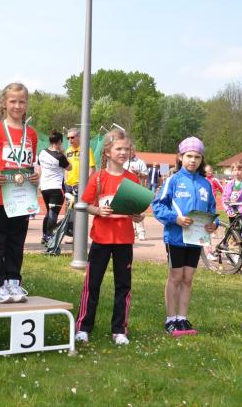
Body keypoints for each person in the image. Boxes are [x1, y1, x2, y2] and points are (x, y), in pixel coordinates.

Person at [75, 129, 146, 346]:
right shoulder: (98, 177)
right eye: (119, 149)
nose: (123, 152)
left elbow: (137, 210)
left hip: (124, 240)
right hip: (101, 239)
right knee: (92, 284)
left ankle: (119, 330)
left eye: (127, 149)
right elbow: (85, 204)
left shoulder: (132, 178)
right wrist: (98, 211)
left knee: (123, 286)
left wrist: (137, 216)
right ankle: (83, 327)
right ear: (107, 152)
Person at [152, 137, 217, 337]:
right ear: (180, 157)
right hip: (176, 237)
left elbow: (212, 209)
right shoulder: (173, 180)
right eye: (189, 156)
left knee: (188, 278)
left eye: (197, 157)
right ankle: (170, 319)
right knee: (175, 277)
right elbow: (158, 206)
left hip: (196, 239)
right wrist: (176, 219)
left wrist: (213, 224)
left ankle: (182, 318)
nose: (193, 160)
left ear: (202, 159)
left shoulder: (205, 184)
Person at [0, 82, 40, 304]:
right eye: (13, 101)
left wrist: (36, 177)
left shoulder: (31, 134)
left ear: (27, 105)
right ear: (4, 103)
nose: (17, 105)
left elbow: (30, 164)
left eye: (21, 101)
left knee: (17, 241)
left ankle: (13, 281)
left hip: (22, 197)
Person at [37, 131, 71, 244]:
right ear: (60, 141)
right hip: (56, 188)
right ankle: (49, 237)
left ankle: (45, 236)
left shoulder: (42, 153)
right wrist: (63, 153)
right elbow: (69, 167)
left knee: (49, 212)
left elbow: (39, 167)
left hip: (44, 187)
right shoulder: (59, 156)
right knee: (53, 213)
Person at [64, 128, 96, 236]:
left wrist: (83, 183)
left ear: (79, 137)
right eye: (68, 138)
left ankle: (78, 236)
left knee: (79, 211)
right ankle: (71, 234)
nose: (70, 140)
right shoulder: (68, 151)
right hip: (69, 185)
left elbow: (92, 168)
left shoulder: (86, 150)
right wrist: (66, 180)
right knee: (69, 211)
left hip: (80, 185)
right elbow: (66, 168)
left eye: (72, 137)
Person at [125, 146, 148, 240]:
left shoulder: (140, 162)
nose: (129, 152)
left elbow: (146, 175)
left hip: (137, 189)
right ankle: (132, 231)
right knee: (126, 211)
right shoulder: (123, 161)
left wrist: (138, 173)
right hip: (125, 189)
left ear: (135, 151)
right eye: (128, 150)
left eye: (131, 150)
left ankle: (141, 232)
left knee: (138, 211)